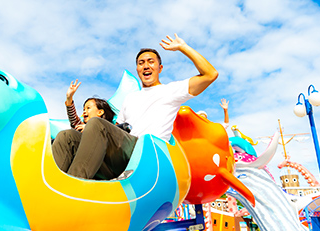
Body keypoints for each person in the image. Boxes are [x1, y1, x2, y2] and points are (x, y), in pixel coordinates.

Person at [53, 34, 218, 180]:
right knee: (67, 137)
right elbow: (118, 130)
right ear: (138, 69)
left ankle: (71, 188)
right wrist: (88, 132)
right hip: (120, 158)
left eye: (150, 62)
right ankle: (49, 186)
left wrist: (183, 47)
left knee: (96, 124)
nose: (146, 66)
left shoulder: (170, 91)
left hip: (146, 156)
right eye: (141, 63)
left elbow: (210, 74)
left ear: (159, 68)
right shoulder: (130, 98)